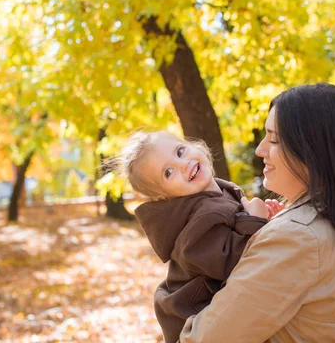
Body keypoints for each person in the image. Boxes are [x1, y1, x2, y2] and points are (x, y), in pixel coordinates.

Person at [180, 83, 335, 342]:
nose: (260, 150)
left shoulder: (296, 238)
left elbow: (206, 339)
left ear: (314, 151)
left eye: (275, 139)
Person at [115, 131, 282, 343]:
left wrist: (264, 220)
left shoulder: (220, 191)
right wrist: (255, 220)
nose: (182, 164)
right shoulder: (198, 221)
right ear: (164, 197)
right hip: (196, 318)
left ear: (194, 145)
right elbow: (233, 265)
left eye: (180, 151)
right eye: (168, 172)